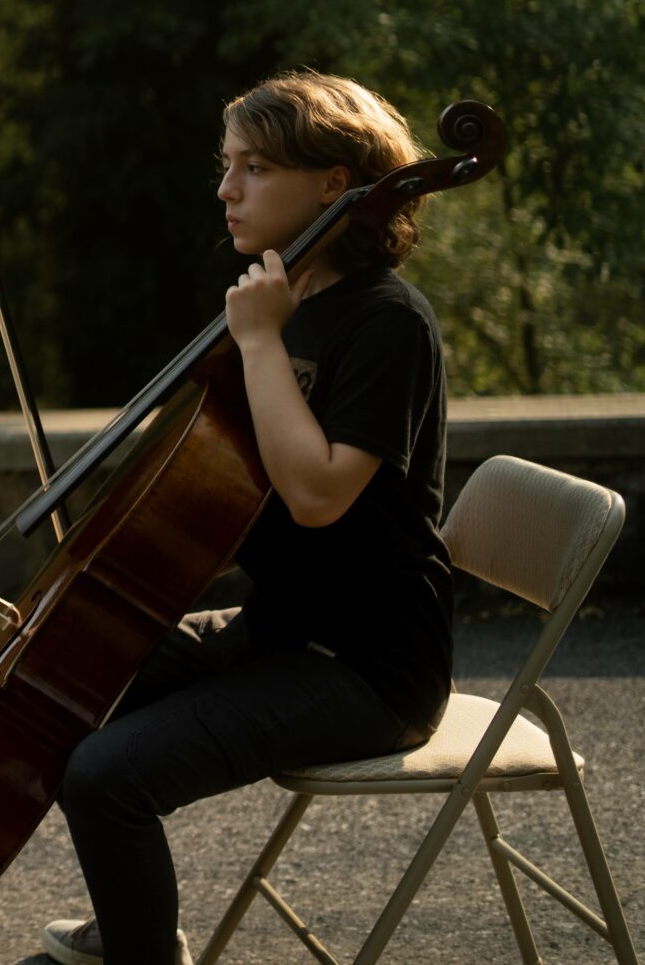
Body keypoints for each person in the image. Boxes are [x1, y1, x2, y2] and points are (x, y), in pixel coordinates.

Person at [39, 71, 452, 965]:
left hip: (369, 666)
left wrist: (258, 342)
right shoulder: (279, 305)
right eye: (227, 167)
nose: (227, 190)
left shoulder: (386, 323)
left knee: (106, 774)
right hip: (283, 629)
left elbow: (317, 495)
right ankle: (136, 933)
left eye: (254, 167)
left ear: (334, 183)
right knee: (62, 680)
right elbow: (218, 488)